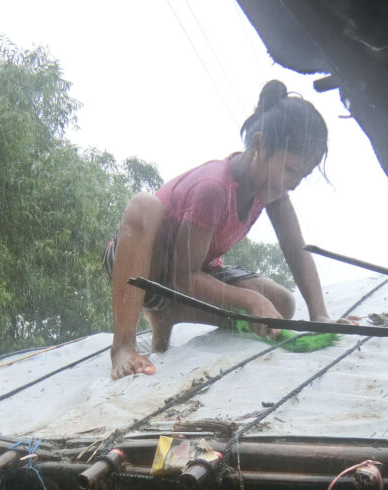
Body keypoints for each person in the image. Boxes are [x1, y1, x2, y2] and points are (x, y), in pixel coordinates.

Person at [106, 80, 336, 379]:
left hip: (191, 273)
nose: (294, 183)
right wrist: (251, 300)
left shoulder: (274, 192)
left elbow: (298, 252)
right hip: (145, 270)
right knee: (143, 204)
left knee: (281, 305)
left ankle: (172, 313)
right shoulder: (213, 188)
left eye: (302, 176)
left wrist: (320, 316)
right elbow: (183, 277)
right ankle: (122, 345)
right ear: (259, 146)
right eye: (291, 170)